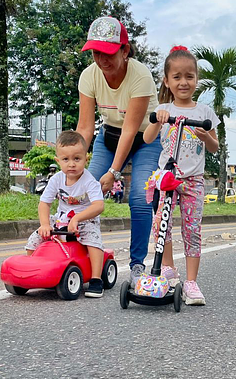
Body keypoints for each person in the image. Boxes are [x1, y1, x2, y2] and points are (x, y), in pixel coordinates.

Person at [75, 16, 160, 284]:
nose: (102, 60)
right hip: (109, 137)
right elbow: (86, 127)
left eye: (109, 53)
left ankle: (137, 265)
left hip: (145, 139)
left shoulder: (141, 76)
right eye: (96, 53)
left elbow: (131, 129)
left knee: (138, 197)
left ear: (125, 50)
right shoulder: (89, 76)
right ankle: (84, 254)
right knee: (84, 192)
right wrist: (73, 164)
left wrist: (114, 172)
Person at [143, 46, 220, 305]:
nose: (183, 82)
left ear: (196, 79)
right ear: (167, 81)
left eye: (189, 76)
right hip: (166, 178)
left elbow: (214, 147)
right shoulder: (163, 109)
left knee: (192, 229)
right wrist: (157, 119)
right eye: (177, 77)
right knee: (161, 225)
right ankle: (167, 269)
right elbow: (147, 137)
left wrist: (206, 135)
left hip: (194, 181)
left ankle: (191, 282)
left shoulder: (205, 113)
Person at [25, 130, 106, 297]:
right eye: (66, 159)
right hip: (61, 219)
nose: (71, 164)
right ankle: (34, 270)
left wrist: (77, 218)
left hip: (85, 220)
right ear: (58, 161)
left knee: (93, 238)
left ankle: (97, 279)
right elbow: (44, 203)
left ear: (86, 158)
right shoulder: (56, 179)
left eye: (77, 159)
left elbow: (98, 206)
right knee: (35, 237)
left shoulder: (89, 181)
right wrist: (45, 224)